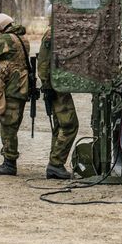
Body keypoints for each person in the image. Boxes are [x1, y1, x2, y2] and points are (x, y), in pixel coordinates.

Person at [0, 13, 35, 176]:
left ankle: (9, 163)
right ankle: (8, 159)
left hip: (12, 88)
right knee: (12, 124)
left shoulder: (6, 39)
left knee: (8, 126)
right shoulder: (22, 38)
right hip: (20, 87)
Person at [36, 28, 78, 179]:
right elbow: (43, 61)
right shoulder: (52, 33)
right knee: (69, 125)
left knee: (61, 125)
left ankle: (55, 165)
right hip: (56, 85)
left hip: (58, 83)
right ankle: (55, 164)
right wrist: (48, 84)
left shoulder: (56, 31)